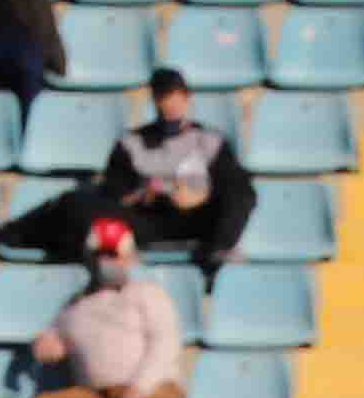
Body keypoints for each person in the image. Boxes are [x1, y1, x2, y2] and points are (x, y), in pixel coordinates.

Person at [14, 68, 257, 280]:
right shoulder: (131, 143)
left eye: (176, 98)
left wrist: (200, 196)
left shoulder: (211, 141)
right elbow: (114, 191)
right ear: (154, 100)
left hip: (196, 217)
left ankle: (216, 253)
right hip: (146, 219)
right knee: (76, 203)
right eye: (164, 99)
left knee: (242, 190)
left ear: (187, 98)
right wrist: (143, 194)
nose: (171, 106)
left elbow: (230, 185)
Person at [24, 218, 187, 398]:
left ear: (129, 257)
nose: (105, 262)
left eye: (113, 254)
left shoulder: (148, 294)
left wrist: (140, 387)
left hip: (151, 388)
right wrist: (46, 344)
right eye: (99, 255)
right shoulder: (76, 304)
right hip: (96, 396)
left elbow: (165, 344)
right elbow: (52, 335)